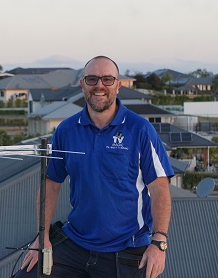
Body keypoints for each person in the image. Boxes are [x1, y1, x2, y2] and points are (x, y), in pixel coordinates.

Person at [14, 56, 174, 278]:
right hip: (76, 244)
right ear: (83, 85)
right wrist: (43, 236)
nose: (99, 85)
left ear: (119, 85)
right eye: (92, 79)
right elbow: (50, 184)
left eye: (107, 79)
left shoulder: (140, 130)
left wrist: (159, 242)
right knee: (26, 275)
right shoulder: (66, 131)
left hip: (127, 247)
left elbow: (160, 188)